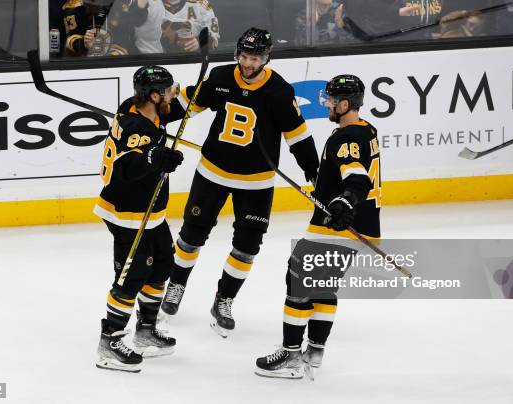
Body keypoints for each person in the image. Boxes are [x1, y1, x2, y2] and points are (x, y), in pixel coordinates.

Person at [159, 27, 320, 338]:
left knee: (246, 248)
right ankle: (175, 286)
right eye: (244, 57)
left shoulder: (280, 92)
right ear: (238, 55)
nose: (248, 64)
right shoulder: (220, 77)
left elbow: (298, 138)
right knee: (191, 237)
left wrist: (313, 173)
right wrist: (153, 119)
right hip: (212, 174)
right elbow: (185, 105)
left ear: (266, 58)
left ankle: (224, 299)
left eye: (255, 58)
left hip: (257, 182)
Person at [255, 74, 381, 379]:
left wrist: (345, 202)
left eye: (332, 100)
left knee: (298, 283)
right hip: (362, 226)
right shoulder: (366, 130)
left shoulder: (345, 137)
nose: (327, 104)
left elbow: (356, 177)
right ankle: (315, 350)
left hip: (335, 227)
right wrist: (326, 191)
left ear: (346, 104)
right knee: (323, 287)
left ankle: (291, 355)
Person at [93, 65, 185, 372]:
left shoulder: (137, 109)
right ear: (155, 95)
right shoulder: (137, 127)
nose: (172, 94)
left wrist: (203, 93)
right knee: (131, 277)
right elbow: (126, 168)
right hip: (128, 212)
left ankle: (145, 330)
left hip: (150, 209)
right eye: (169, 90)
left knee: (163, 263)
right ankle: (110, 342)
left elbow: (173, 112)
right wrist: (153, 157)